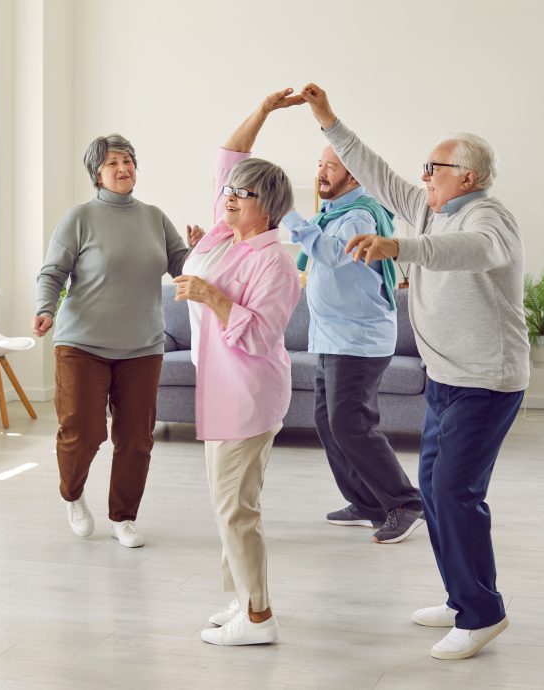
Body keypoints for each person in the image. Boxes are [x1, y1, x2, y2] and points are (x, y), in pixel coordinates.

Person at [299, 83, 528, 660]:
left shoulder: (488, 218)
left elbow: (473, 252)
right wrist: (329, 120)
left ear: (467, 176)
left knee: (454, 493)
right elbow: (373, 171)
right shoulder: (429, 207)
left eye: (434, 167)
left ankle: (482, 614)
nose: (423, 176)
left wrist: (400, 248)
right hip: (447, 379)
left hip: (487, 380)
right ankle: (461, 599)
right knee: (431, 489)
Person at [175, 89, 301, 646]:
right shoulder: (227, 233)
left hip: (248, 393)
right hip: (220, 388)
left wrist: (209, 295)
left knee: (236, 510)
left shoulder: (274, 260)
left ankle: (258, 617)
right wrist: (265, 112)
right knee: (228, 505)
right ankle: (242, 599)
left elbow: (263, 333)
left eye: (242, 194)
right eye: (228, 190)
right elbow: (230, 153)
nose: (227, 196)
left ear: (267, 207)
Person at [33, 134, 200, 549]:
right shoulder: (80, 217)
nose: (123, 168)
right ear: (97, 174)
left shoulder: (155, 217)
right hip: (81, 343)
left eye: (128, 161)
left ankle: (124, 516)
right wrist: (45, 309)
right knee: (83, 432)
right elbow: (53, 272)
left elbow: (183, 265)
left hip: (142, 345)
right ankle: (72, 495)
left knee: (136, 438)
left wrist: (200, 251)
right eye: (113, 163)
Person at [283, 142, 424, 544]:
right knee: (329, 425)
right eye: (320, 165)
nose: (321, 173)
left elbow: (329, 254)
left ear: (355, 175)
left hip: (358, 339)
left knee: (350, 424)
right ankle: (366, 502)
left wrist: (286, 215)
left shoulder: (361, 214)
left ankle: (404, 503)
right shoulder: (333, 213)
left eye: (330, 167)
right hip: (333, 336)